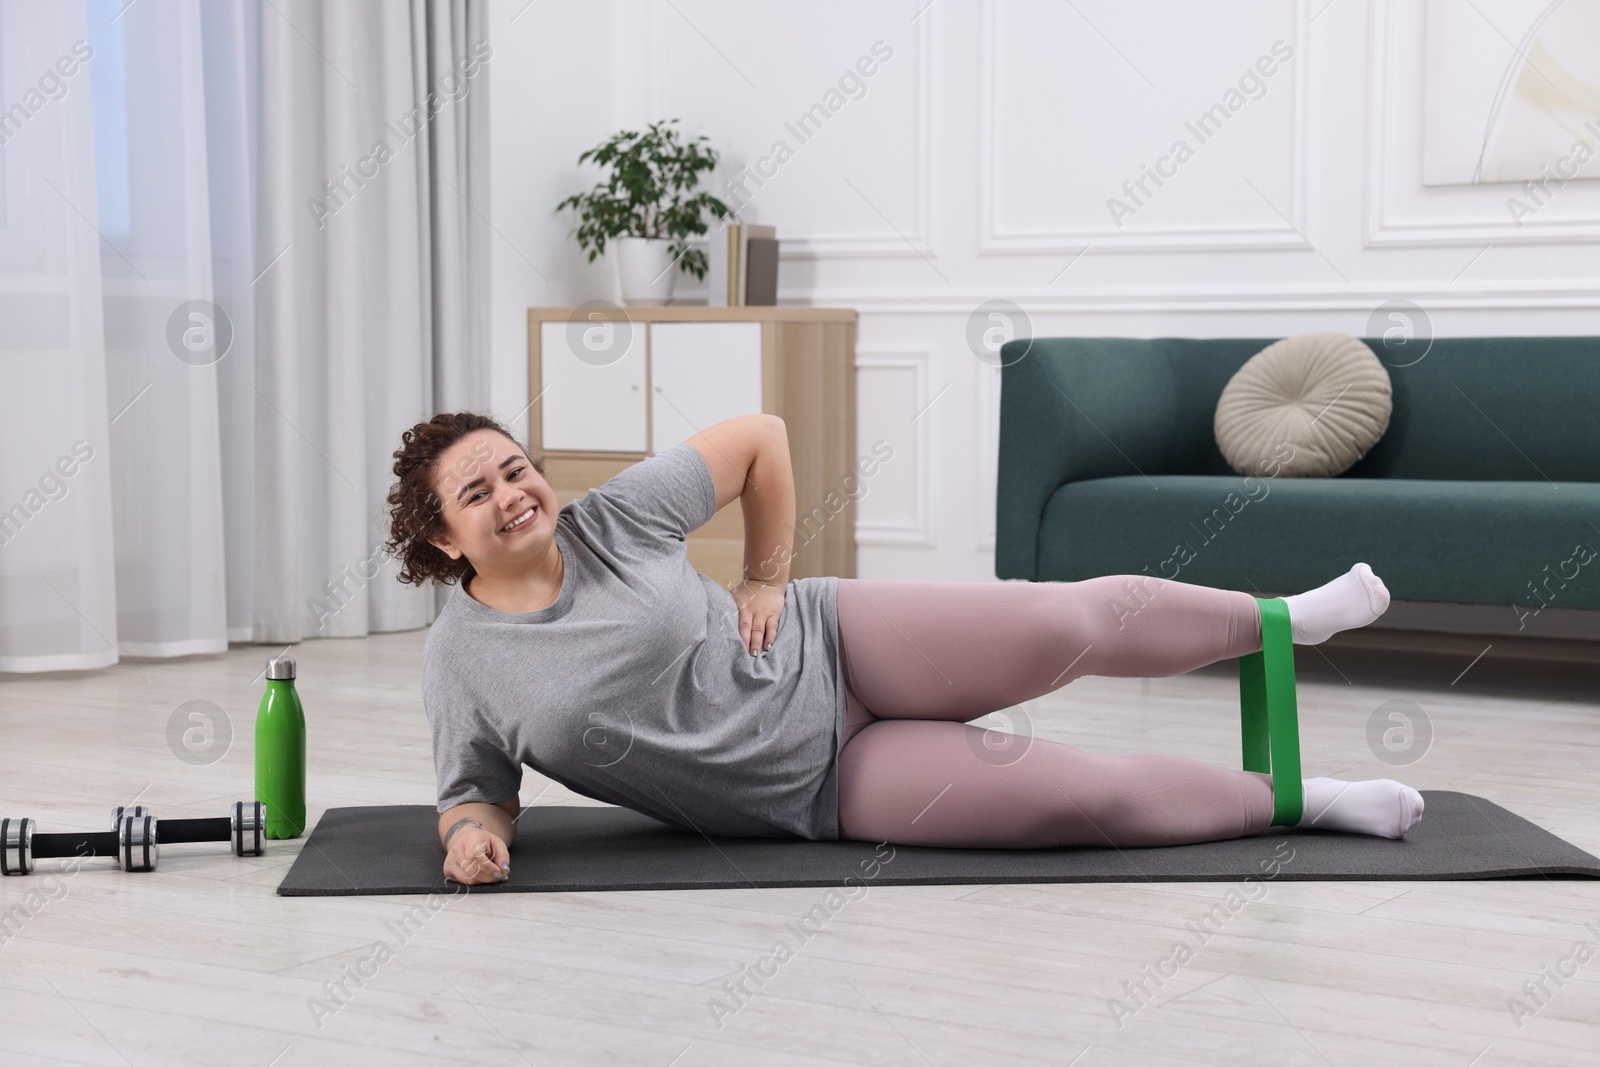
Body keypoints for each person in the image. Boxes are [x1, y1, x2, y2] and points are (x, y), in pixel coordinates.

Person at [386, 411, 1424, 887]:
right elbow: (476, 788)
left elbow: (761, 438)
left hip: (836, 641)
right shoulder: (461, 661)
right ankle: (1311, 798)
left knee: (1061, 623)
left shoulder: (611, 521)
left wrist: (763, 575)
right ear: (442, 537)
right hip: (816, 786)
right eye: (476, 493)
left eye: (516, 468)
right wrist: (475, 837)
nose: (512, 495)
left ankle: (1286, 616)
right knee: (1081, 800)